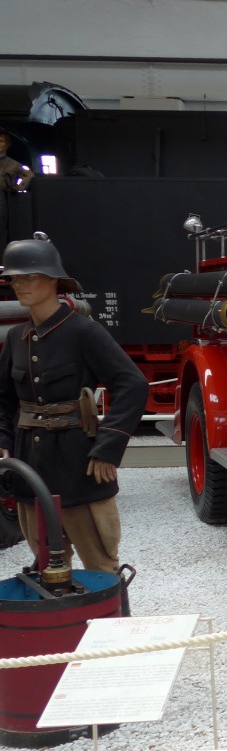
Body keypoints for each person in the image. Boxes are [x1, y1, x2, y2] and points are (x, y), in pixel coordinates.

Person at [0, 238, 148, 573]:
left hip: (78, 467)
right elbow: (4, 399)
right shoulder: (16, 338)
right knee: (45, 568)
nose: (20, 285)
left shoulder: (83, 332)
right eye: (15, 279)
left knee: (101, 565)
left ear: (53, 279)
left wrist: (108, 448)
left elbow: (132, 384)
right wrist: (4, 442)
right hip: (30, 471)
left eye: (29, 276)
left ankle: (112, 620)